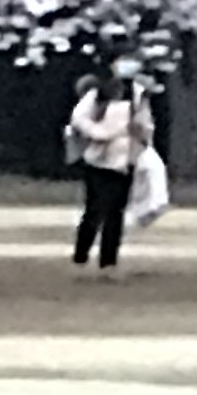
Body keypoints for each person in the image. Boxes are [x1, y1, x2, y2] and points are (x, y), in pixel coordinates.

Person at [64, 58, 154, 273]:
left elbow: (147, 125)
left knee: (116, 213)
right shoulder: (96, 96)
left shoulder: (138, 98)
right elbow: (79, 119)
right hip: (98, 160)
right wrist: (100, 134)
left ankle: (108, 262)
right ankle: (81, 257)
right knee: (94, 211)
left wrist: (140, 134)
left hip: (125, 161)